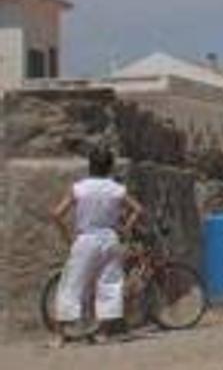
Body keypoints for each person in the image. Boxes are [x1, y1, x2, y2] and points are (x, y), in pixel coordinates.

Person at [50, 145, 145, 343]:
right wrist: (125, 229)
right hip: (110, 239)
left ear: (90, 165)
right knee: (109, 284)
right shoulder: (116, 189)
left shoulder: (79, 188)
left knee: (71, 284)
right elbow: (138, 209)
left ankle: (60, 335)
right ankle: (103, 332)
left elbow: (57, 214)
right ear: (109, 167)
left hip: (86, 239)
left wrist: (67, 236)